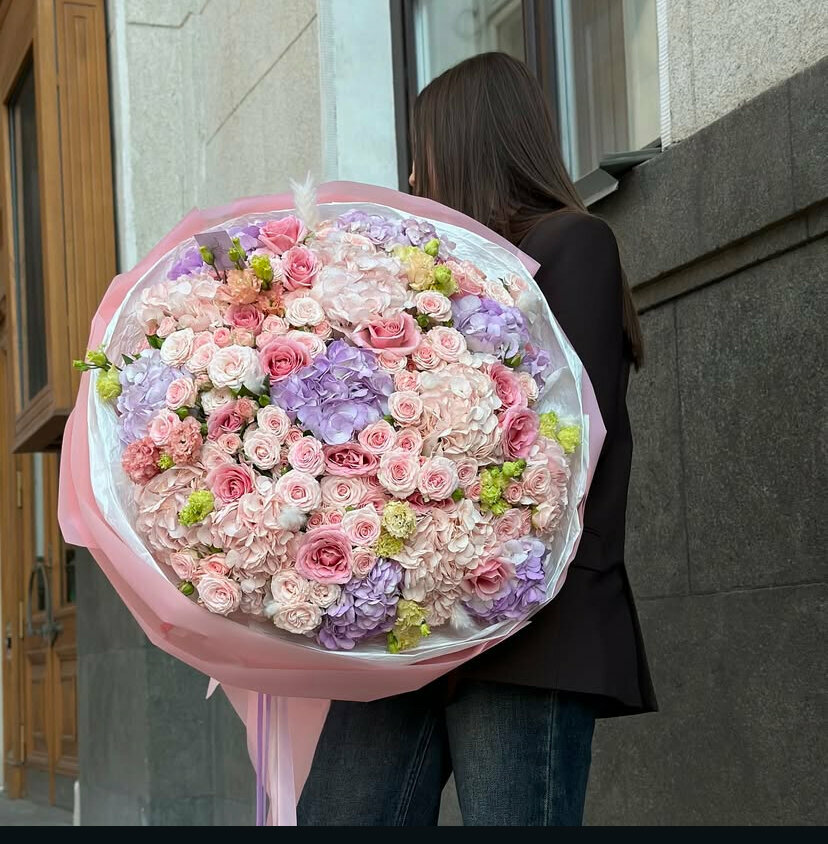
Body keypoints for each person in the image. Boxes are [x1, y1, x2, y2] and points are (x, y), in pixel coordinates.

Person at [298, 52, 657, 827]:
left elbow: (558, 446)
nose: (414, 169)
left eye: (424, 145)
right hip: (418, 621)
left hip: (531, 624)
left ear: (465, 144)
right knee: (338, 812)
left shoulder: (574, 244)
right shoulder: (435, 272)